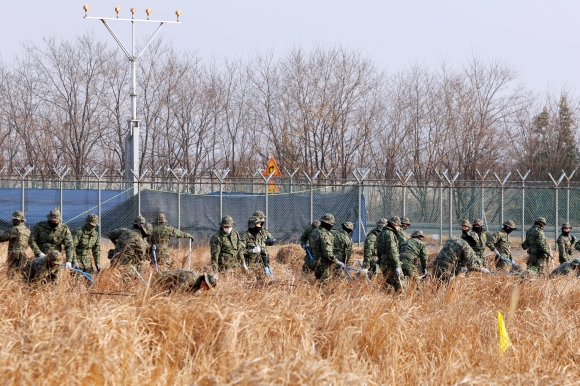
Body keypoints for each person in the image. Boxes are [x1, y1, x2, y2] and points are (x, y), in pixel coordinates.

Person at [310, 213, 340, 282]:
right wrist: (337, 262)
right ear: (328, 223)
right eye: (332, 224)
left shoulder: (314, 231)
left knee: (317, 284)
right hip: (323, 265)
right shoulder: (324, 235)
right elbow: (328, 253)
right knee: (324, 286)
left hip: (314, 262)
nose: (332, 225)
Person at [377, 217, 404, 293]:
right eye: (398, 225)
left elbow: (378, 249)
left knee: (387, 283)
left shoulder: (381, 233)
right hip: (390, 263)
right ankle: (394, 301)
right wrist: (397, 265)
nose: (399, 227)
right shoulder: (390, 234)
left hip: (383, 262)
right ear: (393, 224)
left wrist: (380, 260)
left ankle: (386, 300)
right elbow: (393, 251)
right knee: (396, 285)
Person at [0, 211, 31, 276]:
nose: (13, 221)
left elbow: (2, 238)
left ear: (20, 220)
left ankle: (11, 285)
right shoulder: (27, 230)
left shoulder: (15, 229)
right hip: (24, 254)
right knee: (21, 272)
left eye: (15, 219)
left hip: (14, 254)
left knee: (11, 273)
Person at [154, 270, 218, 293]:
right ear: (204, 281)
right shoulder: (190, 278)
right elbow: (175, 294)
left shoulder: (197, 284)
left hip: (167, 286)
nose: (206, 289)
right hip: (158, 279)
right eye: (207, 287)